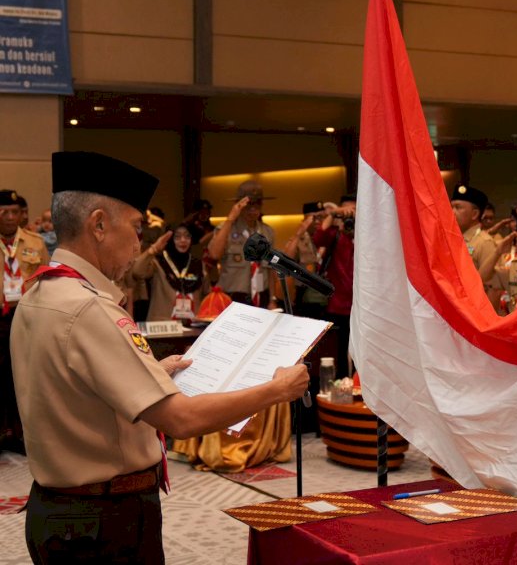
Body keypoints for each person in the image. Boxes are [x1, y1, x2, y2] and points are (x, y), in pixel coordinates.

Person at [10, 151, 309, 563]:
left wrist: (149, 372)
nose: (139, 243)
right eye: (136, 228)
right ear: (98, 224)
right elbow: (180, 421)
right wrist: (275, 390)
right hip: (104, 520)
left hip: (59, 509)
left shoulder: (40, 292)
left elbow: (68, 386)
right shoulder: (90, 308)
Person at [0, 190, 47, 454]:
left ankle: (19, 434)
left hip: (25, 316)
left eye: (14, 212)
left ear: (21, 214)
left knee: (22, 376)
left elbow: (45, 279)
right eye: (3, 211)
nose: (9, 217)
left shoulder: (35, 242)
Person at [207, 180, 277, 308]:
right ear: (238, 204)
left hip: (261, 296)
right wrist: (231, 218)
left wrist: (272, 299)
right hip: (233, 297)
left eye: (257, 204)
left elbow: (270, 269)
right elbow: (214, 254)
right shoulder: (226, 228)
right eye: (248, 204)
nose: (253, 209)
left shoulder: (267, 232)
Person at [313, 195, 356, 379]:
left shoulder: (369, 234)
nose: (349, 218)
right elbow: (318, 237)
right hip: (338, 305)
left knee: (361, 353)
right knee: (338, 353)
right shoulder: (335, 235)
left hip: (362, 306)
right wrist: (333, 214)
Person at [131, 224, 204, 321]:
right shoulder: (158, 263)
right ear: (169, 240)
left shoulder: (198, 264)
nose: (183, 240)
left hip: (193, 326)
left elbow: (206, 294)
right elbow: (137, 271)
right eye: (177, 237)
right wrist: (153, 249)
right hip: (164, 327)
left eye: (187, 236)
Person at [285, 201, 327, 318]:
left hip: (327, 297)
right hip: (305, 298)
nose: (318, 221)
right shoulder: (299, 240)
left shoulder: (330, 238)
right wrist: (298, 234)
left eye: (321, 217)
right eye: (314, 218)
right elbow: (286, 260)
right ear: (304, 220)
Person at [450, 185, 496, 274]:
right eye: (451, 207)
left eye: (458, 207)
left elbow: (490, 282)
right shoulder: (454, 239)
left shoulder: (484, 242)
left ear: (474, 214)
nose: (452, 212)